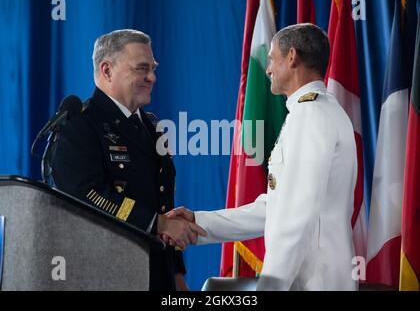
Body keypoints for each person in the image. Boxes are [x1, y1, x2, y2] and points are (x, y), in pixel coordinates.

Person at [166, 23, 358, 291]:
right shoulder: (320, 111)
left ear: (292, 57)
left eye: (272, 59)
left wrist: (269, 287)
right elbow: (277, 208)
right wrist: (199, 222)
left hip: (312, 280)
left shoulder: (310, 116)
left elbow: (296, 217)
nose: (268, 69)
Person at [51, 29, 206, 291]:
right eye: (141, 68)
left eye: (153, 68)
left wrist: (177, 273)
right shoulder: (80, 126)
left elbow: (162, 200)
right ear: (107, 70)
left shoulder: (150, 126)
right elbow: (85, 195)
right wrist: (157, 223)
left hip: (156, 272)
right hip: (106, 274)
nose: (152, 77)